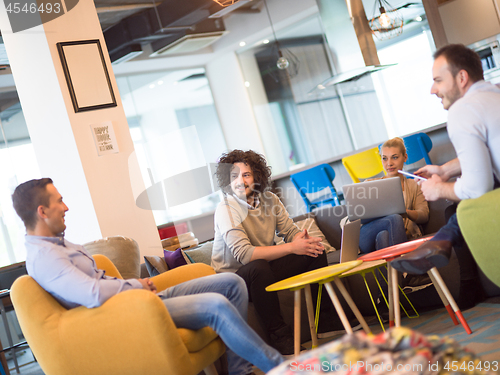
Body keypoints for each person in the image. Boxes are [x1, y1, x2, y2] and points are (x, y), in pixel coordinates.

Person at [12, 178, 284, 375]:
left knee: (232, 283)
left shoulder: (59, 244)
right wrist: (137, 286)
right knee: (216, 306)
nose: (66, 207)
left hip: (138, 299)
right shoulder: (45, 258)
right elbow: (91, 294)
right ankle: (279, 367)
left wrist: (138, 288)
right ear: (42, 212)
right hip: (129, 312)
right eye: (59, 201)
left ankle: (239, 371)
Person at [391, 44, 500, 293]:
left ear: (462, 77)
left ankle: (440, 243)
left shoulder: (463, 109)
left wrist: (438, 189)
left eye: (438, 80)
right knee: (455, 211)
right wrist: (445, 170)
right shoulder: (494, 95)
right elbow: (489, 153)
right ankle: (441, 242)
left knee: (461, 207)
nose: (432, 90)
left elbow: (477, 187)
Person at [211, 150, 334, 355]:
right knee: (258, 267)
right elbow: (245, 255)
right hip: (234, 280)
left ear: (257, 177)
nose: (240, 181)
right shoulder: (226, 209)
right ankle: (279, 335)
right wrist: (291, 247)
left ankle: (325, 321)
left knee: (314, 251)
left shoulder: (270, 200)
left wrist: (301, 241)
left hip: (263, 270)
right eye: (234, 176)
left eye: (246, 175)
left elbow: (290, 232)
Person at [357, 137, 429, 254]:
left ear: (405, 157)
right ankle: (408, 269)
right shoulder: (369, 184)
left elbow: (424, 215)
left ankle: (397, 272)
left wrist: (405, 212)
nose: (389, 163)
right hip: (368, 235)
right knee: (394, 218)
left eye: (394, 157)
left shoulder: (414, 185)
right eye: (384, 159)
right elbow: (357, 215)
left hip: (390, 236)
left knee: (384, 236)